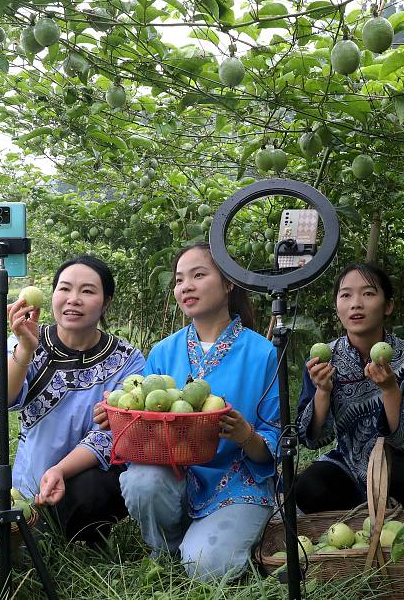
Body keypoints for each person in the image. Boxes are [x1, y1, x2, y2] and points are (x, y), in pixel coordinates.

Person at [101, 242, 281, 581]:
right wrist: (117, 415)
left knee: (206, 567)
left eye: (198, 275)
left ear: (228, 283)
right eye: (180, 279)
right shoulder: (163, 351)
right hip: (174, 479)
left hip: (235, 483)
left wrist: (246, 436)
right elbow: (143, 427)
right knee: (142, 479)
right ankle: (165, 548)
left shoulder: (262, 353)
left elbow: (274, 441)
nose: (186, 286)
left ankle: (216, 541)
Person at [0, 255, 144, 546]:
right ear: (53, 294)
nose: (73, 299)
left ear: (106, 302)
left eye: (87, 291)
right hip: (32, 480)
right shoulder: (29, 338)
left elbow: (109, 437)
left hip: (87, 477)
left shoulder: (127, 360)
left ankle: (86, 537)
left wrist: (60, 470)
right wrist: (25, 350)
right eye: (65, 289)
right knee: (24, 530)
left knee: (93, 490)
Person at [294, 262, 404, 514]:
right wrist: (323, 390)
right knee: (309, 488)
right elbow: (311, 438)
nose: (356, 303)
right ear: (337, 308)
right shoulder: (323, 359)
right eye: (346, 295)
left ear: (388, 305)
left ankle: (370, 511)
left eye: (368, 293)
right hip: (348, 464)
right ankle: (364, 513)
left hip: (398, 465)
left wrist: (389, 389)